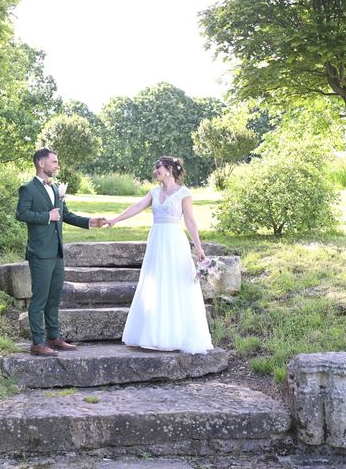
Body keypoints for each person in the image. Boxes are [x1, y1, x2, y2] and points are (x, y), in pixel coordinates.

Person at [105, 156, 213, 354]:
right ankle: (153, 334)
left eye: (158, 168)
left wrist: (199, 249)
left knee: (175, 283)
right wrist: (115, 219)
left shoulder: (184, 193)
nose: (155, 172)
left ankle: (175, 335)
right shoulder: (154, 192)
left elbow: (190, 221)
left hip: (174, 242)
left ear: (169, 169)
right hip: (156, 241)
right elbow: (136, 207)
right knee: (155, 283)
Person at [16, 148, 106, 357]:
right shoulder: (28, 189)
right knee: (39, 299)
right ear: (41, 163)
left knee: (54, 297)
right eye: (54, 162)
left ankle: (53, 338)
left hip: (57, 252)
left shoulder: (56, 188)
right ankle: (37, 343)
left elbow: (65, 214)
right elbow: (21, 214)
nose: (57, 166)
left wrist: (90, 222)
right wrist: (47, 216)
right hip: (40, 252)